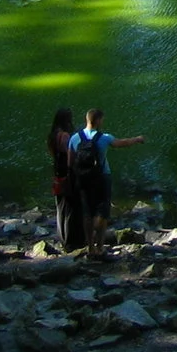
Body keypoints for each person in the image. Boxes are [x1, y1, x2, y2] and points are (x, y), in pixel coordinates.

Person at [67, 107, 147, 257]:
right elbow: (122, 143)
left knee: (87, 212)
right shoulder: (104, 138)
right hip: (102, 177)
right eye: (102, 119)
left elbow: (70, 162)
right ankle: (100, 246)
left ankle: (90, 247)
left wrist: (79, 174)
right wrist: (137, 139)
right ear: (97, 121)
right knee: (103, 212)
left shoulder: (74, 138)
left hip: (83, 179)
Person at [45, 106, 81, 251]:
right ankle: (71, 240)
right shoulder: (64, 136)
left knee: (60, 207)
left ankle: (62, 238)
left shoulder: (52, 135)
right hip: (67, 173)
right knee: (71, 207)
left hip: (57, 172)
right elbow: (70, 155)